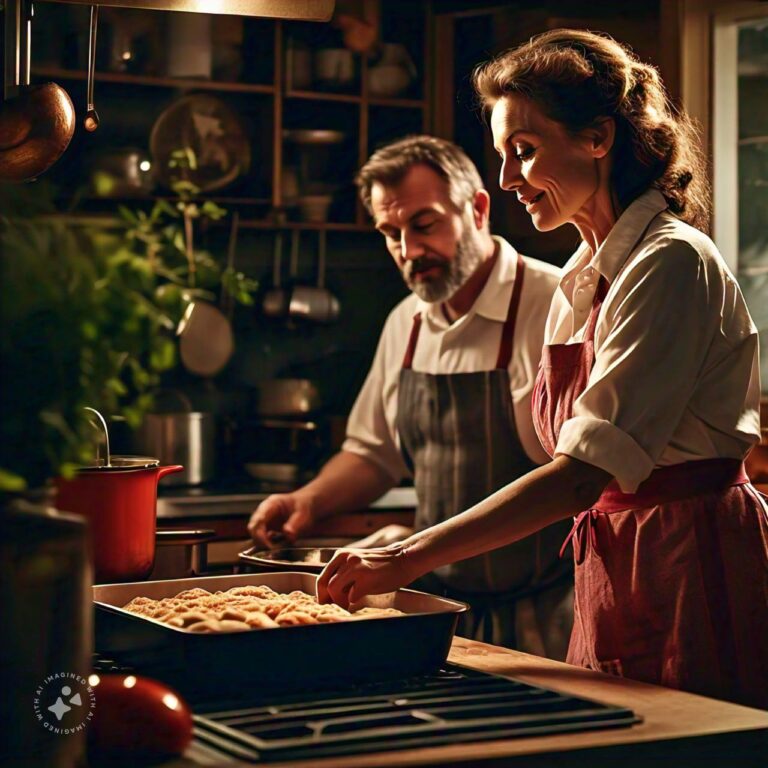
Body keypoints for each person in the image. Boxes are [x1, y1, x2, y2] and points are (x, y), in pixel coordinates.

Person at [317, 30, 768, 710]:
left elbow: (584, 472)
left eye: (524, 152)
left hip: (690, 562)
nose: (507, 181)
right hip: (615, 563)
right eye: (502, 157)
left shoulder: (671, 263)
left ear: (597, 138)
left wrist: (405, 558)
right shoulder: (579, 283)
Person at [249, 135, 569, 654]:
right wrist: (307, 501)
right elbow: (372, 455)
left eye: (424, 225)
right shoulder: (406, 323)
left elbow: (581, 477)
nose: (409, 251)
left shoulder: (555, 304)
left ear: (479, 208)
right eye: (390, 233)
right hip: (440, 612)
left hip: (550, 612)